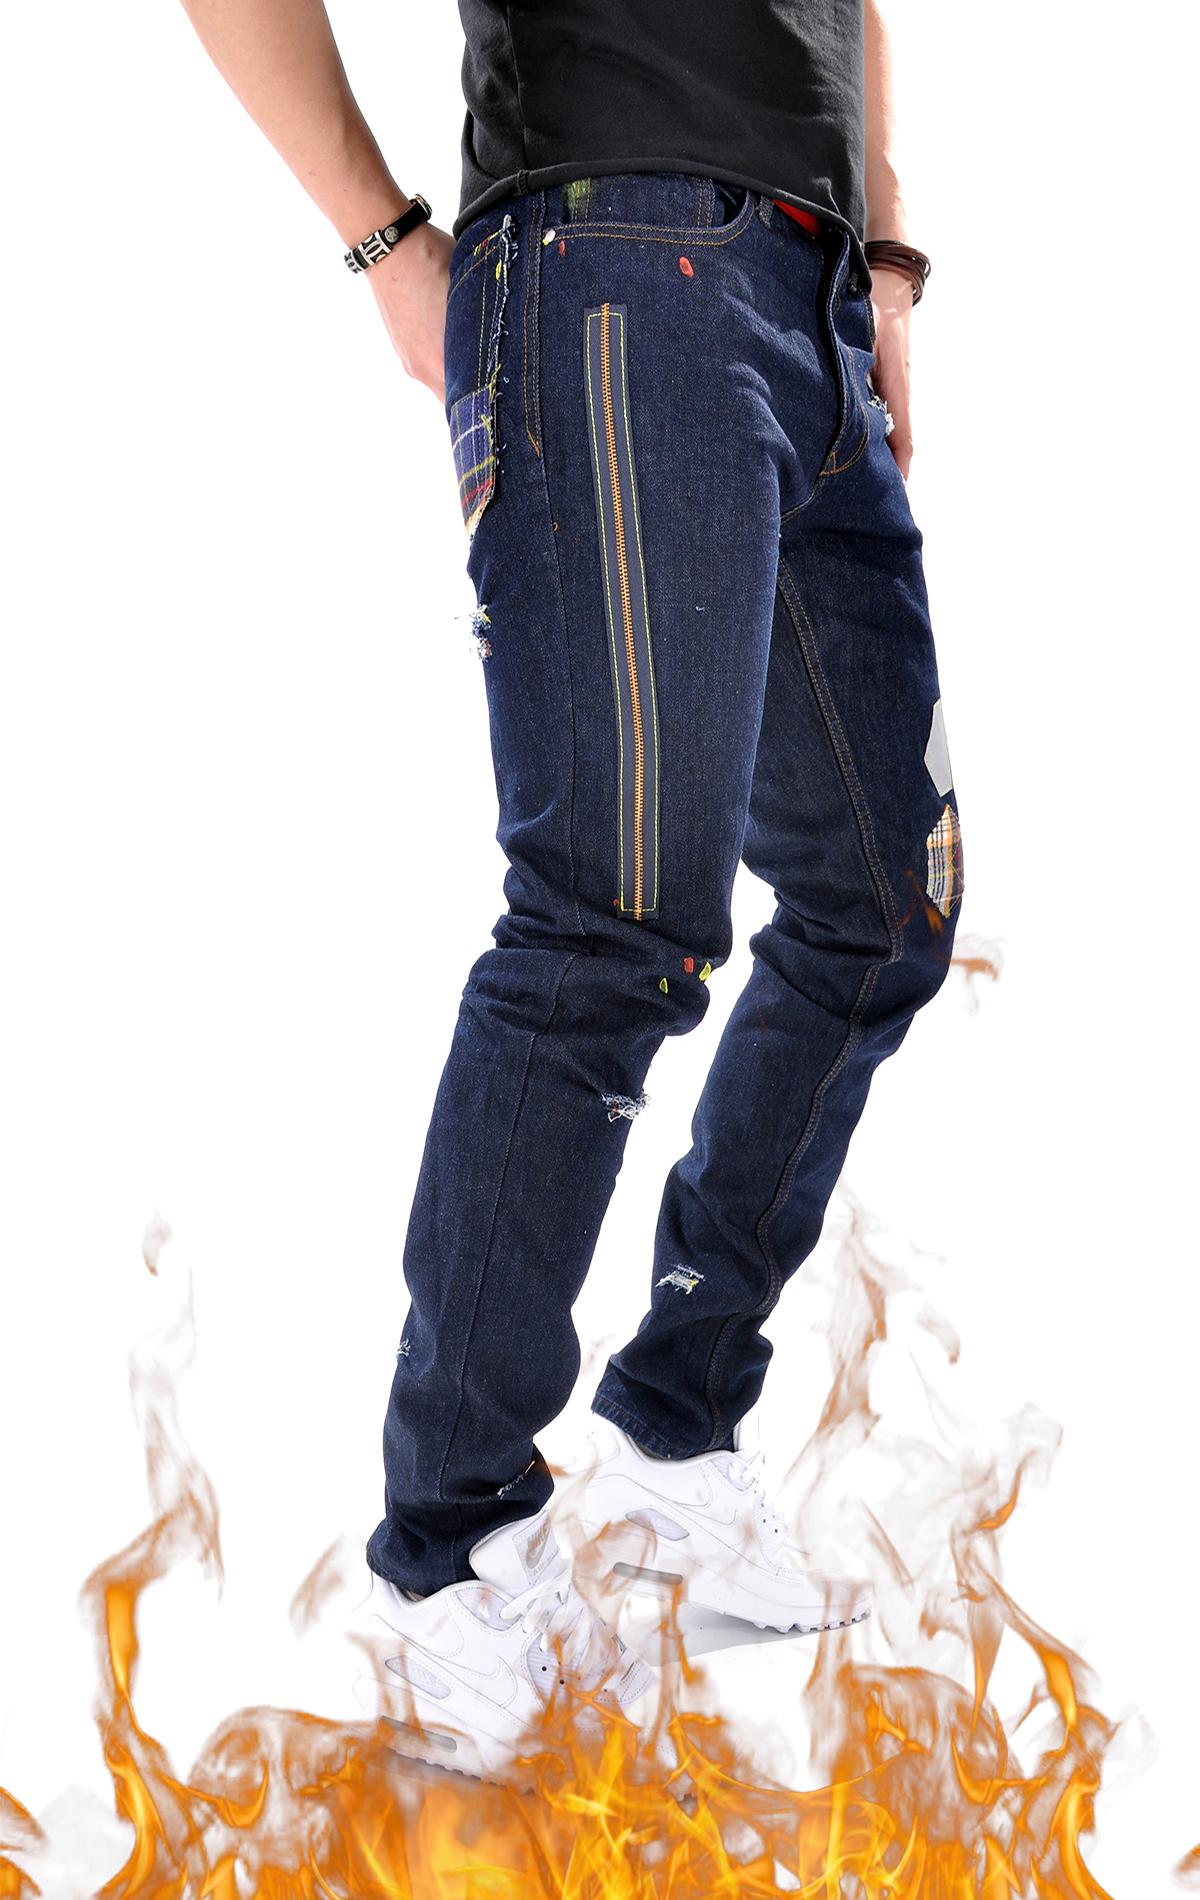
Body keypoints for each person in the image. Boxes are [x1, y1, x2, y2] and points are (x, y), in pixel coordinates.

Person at [179, 0, 964, 1780]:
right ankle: (451, 1552)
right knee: (609, 923)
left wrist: (885, 256)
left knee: (880, 904)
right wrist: (386, 245)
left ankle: (675, 1435)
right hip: (615, 263)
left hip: (812, 295)